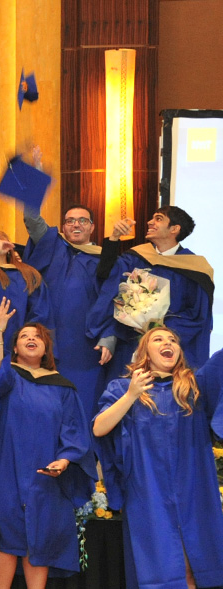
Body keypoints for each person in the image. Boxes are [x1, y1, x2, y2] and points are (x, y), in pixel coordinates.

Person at [0, 301, 95, 588]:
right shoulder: (9, 377)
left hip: (44, 476)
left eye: (37, 337)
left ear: (46, 349)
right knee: (5, 535)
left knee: (38, 539)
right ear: (14, 348)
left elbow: (74, 431)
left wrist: (65, 460)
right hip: (4, 471)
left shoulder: (61, 387)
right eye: (24, 337)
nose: (31, 339)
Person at [93, 327, 223, 589]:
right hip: (148, 494)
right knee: (161, 571)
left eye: (173, 340)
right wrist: (132, 394)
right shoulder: (122, 387)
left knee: (194, 567)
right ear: (144, 353)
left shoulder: (193, 387)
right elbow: (99, 428)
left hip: (194, 491)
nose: (168, 343)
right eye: (158, 339)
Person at [90, 206, 214, 372]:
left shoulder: (195, 268)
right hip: (131, 342)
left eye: (158, 218)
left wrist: (159, 331)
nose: (150, 222)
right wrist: (114, 238)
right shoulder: (136, 257)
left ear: (174, 229)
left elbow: (197, 314)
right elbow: (106, 276)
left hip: (170, 348)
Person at [22, 183, 104, 426]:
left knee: (84, 402)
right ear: (64, 226)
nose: (76, 225)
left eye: (82, 220)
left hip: (86, 347)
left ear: (92, 226)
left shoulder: (105, 259)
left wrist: (107, 338)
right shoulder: (53, 244)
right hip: (50, 340)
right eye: (70, 221)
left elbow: (112, 301)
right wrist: (34, 177)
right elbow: (32, 218)